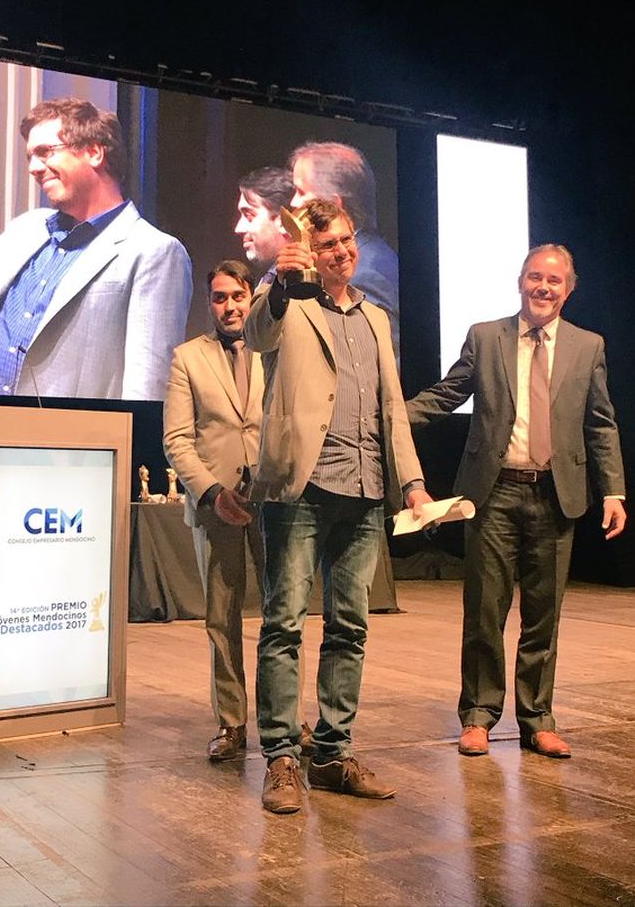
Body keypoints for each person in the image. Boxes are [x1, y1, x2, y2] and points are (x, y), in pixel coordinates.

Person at [244, 199, 431, 813]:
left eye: (348, 242)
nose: (343, 253)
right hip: (300, 490)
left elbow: (393, 407)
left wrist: (413, 483)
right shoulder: (289, 302)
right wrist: (278, 278)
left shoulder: (376, 318)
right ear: (311, 254)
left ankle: (330, 752)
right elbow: (255, 335)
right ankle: (281, 758)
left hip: (366, 489)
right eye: (329, 246)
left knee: (350, 627)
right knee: (284, 625)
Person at [406, 244, 626, 759]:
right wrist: (391, 417)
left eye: (553, 280)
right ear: (520, 281)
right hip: (494, 492)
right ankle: (479, 715)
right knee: (484, 610)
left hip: (557, 495)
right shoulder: (486, 338)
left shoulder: (587, 345)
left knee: (543, 615)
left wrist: (613, 490)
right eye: (534, 277)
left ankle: (537, 717)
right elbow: (447, 394)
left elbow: (601, 422)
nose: (542, 287)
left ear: (568, 289)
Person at [0, 97, 192, 400]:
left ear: (94, 152)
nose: (33, 168)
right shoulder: (27, 230)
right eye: (30, 157)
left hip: (66, 444)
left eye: (45, 153)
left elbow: (147, 389)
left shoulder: (153, 252)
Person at [164, 259, 310, 761]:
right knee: (221, 618)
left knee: (284, 617)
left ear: (252, 299)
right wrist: (210, 492)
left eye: (237, 297)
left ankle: (288, 719)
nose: (229, 306)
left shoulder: (279, 346)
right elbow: (177, 441)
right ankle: (231, 723)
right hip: (216, 505)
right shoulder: (188, 357)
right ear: (211, 303)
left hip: (276, 501)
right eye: (220, 297)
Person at [289, 141, 400, 358]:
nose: (293, 202)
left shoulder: (362, 275)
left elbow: (375, 362)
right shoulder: (376, 254)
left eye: (300, 191)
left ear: (333, 204)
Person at [234, 166, 294, 283]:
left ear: (283, 221)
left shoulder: (302, 283)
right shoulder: (271, 279)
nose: (238, 229)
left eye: (249, 216)